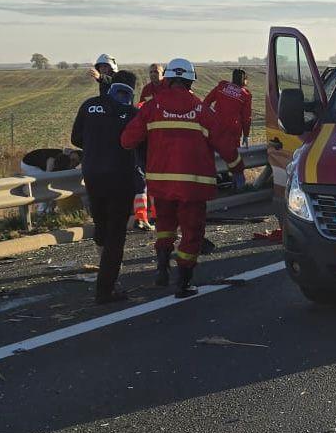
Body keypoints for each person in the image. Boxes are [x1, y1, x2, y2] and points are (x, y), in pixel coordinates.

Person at [120, 57, 245, 297]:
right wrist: (237, 168)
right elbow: (225, 144)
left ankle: (162, 270)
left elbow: (127, 140)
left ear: (168, 79)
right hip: (193, 185)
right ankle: (184, 283)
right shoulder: (200, 109)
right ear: (190, 80)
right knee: (192, 232)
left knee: (165, 226)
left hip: (161, 183)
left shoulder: (152, 106)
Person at [70, 69, 143, 303]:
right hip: (120, 178)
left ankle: (104, 268)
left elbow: (76, 139)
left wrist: (96, 140)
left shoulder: (89, 105)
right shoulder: (132, 113)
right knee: (116, 234)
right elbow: (140, 144)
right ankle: (106, 289)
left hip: (92, 174)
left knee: (101, 223)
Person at [203, 68, 254, 152]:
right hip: (233, 130)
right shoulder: (245, 95)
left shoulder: (222, 86)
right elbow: (246, 118)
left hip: (216, 125)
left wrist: (208, 118)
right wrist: (246, 135)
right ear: (244, 80)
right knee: (233, 155)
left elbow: (206, 102)